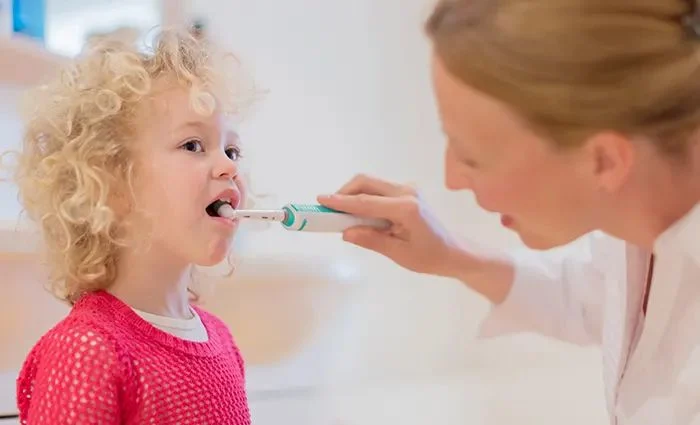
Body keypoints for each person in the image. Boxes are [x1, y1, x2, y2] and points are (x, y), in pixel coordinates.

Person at [318, 0, 700, 424]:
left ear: (605, 162)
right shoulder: (637, 226)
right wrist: (451, 256)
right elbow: (588, 298)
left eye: (472, 157)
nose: (451, 179)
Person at [12, 27, 255, 424]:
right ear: (112, 184)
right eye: (193, 145)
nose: (230, 166)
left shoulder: (222, 341)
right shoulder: (87, 351)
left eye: (232, 149)